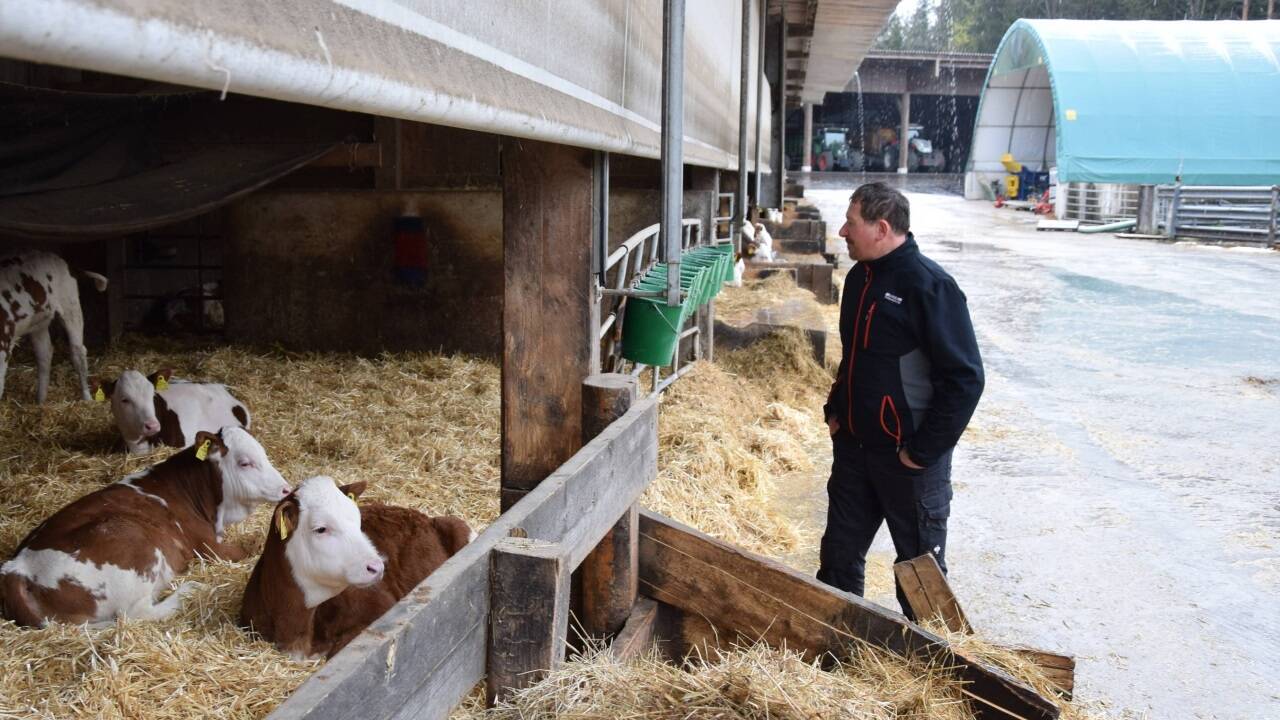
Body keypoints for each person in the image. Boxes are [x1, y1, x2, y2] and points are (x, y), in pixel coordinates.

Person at [818, 182, 984, 619]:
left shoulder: (931, 287)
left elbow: (965, 379)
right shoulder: (858, 279)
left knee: (918, 573)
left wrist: (922, 451)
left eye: (851, 223)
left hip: (908, 460)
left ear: (882, 227)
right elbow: (855, 356)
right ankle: (835, 658)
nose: (842, 231)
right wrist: (836, 410)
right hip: (855, 449)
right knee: (837, 560)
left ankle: (925, 673)